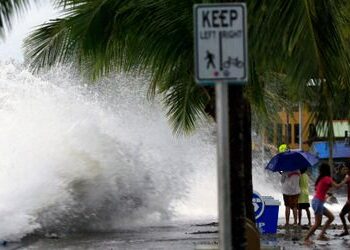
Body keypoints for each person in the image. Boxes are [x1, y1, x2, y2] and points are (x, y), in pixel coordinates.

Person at [304, 163, 348, 244]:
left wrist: (326, 194)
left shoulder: (320, 178)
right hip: (318, 203)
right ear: (328, 170)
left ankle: (321, 235)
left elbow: (318, 189)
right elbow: (337, 186)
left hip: (316, 202)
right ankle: (306, 239)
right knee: (317, 223)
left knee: (331, 217)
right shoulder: (327, 178)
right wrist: (345, 180)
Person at [337, 164, 350, 237]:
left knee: (341, 215)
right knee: (349, 217)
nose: (345, 170)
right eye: (344, 169)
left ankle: (346, 231)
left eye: (346, 169)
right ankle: (346, 231)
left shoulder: (348, 177)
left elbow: (340, 185)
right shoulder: (347, 176)